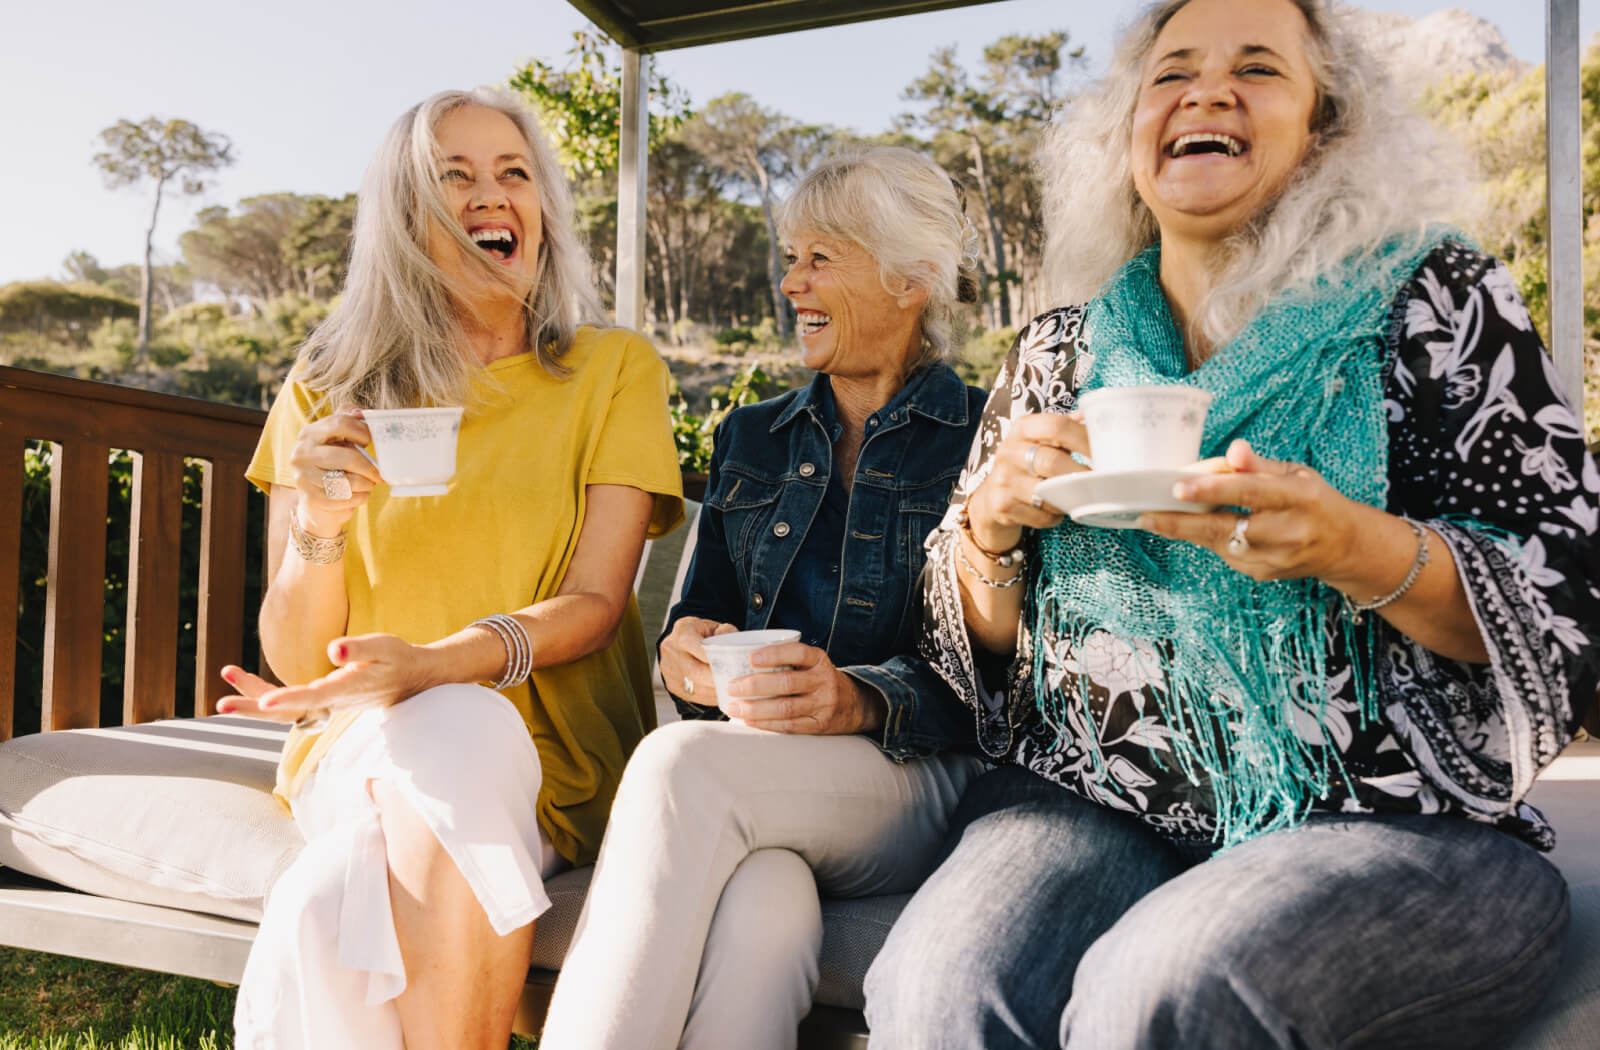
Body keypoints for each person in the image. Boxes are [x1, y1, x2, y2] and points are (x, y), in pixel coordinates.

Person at [864, 2, 1600, 1048]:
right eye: (1171, 74)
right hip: (1095, 797)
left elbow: (1568, 593)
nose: (1206, 92)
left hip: (1397, 820)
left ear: (1325, 130)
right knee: (936, 987)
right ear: (1128, 133)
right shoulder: (1055, 352)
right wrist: (988, 535)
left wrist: (1356, 547)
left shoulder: (1434, 301)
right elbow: (967, 660)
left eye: (1257, 68)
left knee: (1157, 984)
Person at [215, 87, 683, 1050]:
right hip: (364, 749)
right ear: (403, 217)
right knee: (449, 744)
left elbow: (596, 604)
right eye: (453, 178)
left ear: (543, 213)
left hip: (559, 760)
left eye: (514, 174)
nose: (491, 197)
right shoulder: (324, 394)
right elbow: (305, 670)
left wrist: (435, 666)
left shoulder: (611, 371)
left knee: (326, 897)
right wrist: (322, 521)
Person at [539, 146, 989, 1050]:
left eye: (821, 257)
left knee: (678, 766)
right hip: (770, 781)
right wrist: (685, 654)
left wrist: (857, 698)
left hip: (919, 781)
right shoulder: (749, 436)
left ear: (912, 278)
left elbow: (1004, 677)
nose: (792, 283)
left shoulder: (987, 437)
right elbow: (693, 620)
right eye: (790, 257)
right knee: (764, 909)